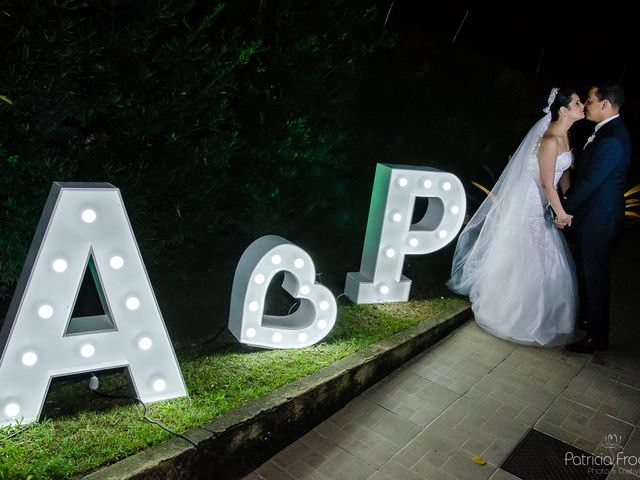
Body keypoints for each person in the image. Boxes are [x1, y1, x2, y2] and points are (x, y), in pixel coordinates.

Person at [447, 87, 584, 346]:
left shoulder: (565, 137)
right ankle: (510, 316)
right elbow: (546, 182)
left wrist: (567, 198)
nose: (582, 106)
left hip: (546, 205)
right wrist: (562, 213)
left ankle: (545, 318)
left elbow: (562, 172)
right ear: (564, 110)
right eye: (577, 103)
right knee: (526, 258)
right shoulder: (550, 139)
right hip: (531, 204)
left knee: (548, 262)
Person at [562, 84, 632, 353]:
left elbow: (591, 182)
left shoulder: (613, 138)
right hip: (594, 216)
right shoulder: (605, 131)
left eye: (590, 100)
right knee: (588, 270)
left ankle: (597, 337)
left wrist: (566, 207)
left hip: (600, 219)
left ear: (605, 104)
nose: (587, 104)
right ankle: (589, 319)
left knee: (595, 275)